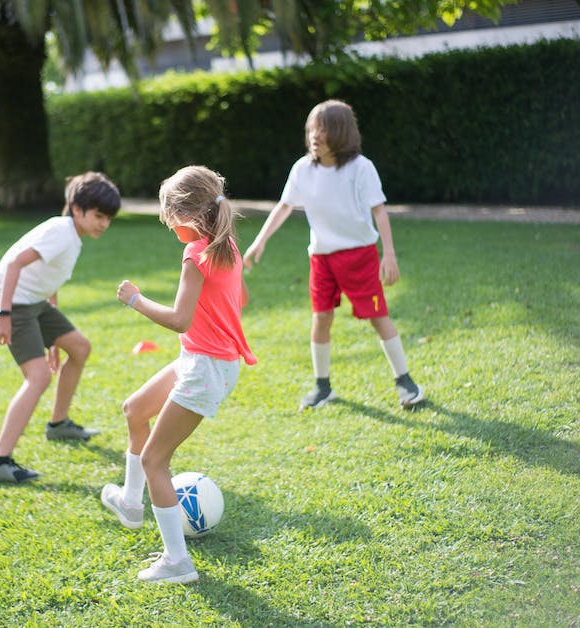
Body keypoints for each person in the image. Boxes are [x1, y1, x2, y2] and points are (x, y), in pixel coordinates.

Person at [101, 165, 256, 583]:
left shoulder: (196, 254)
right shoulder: (227, 247)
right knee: (135, 409)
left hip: (205, 368)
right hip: (204, 361)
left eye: (169, 220)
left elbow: (179, 320)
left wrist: (135, 299)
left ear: (185, 217)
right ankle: (132, 504)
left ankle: (177, 563)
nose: (170, 228)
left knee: (155, 459)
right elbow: (237, 296)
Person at [243, 99, 425, 411]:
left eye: (323, 128)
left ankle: (406, 383)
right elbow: (284, 206)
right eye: (312, 128)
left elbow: (379, 211)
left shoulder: (361, 168)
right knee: (321, 317)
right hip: (322, 258)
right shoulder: (302, 169)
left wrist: (389, 254)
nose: (315, 134)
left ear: (341, 133)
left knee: (378, 318)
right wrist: (259, 242)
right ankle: (322, 387)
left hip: (360, 256)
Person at [0, 172, 121, 483]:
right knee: (39, 377)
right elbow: (16, 263)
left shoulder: (72, 237)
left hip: (33, 301)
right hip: (12, 302)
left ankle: (58, 425)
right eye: (99, 216)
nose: (104, 224)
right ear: (76, 208)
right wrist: (3, 313)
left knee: (80, 347)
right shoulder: (61, 231)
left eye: (108, 218)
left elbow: (50, 282)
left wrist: (54, 341)